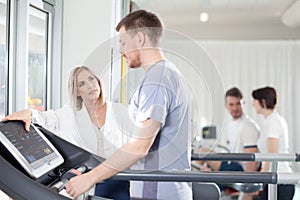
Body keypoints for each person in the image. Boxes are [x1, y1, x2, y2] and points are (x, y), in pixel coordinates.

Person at [66, 9, 192, 200]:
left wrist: (90, 178)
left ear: (140, 39)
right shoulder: (168, 73)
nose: (120, 50)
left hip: (157, 193)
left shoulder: (157, 80)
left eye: (123, 42)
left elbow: (140, 146)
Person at [2, 66, 131, 200]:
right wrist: (28, 113)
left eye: (91, 79)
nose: (90, 86)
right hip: (87, 180)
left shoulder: (119, 111)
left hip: (116, 178)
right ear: (77, 92)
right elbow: (45, 118)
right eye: (82, 84)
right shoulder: (70, 113)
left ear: (98, 81)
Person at [252, 86, 294, 200]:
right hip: (274, 180)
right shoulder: (269, 121)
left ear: (263, 102)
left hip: (281, 181)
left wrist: (259, 180)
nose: (253, 104)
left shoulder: (273, 123)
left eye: (254, 101)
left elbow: (271, 156)